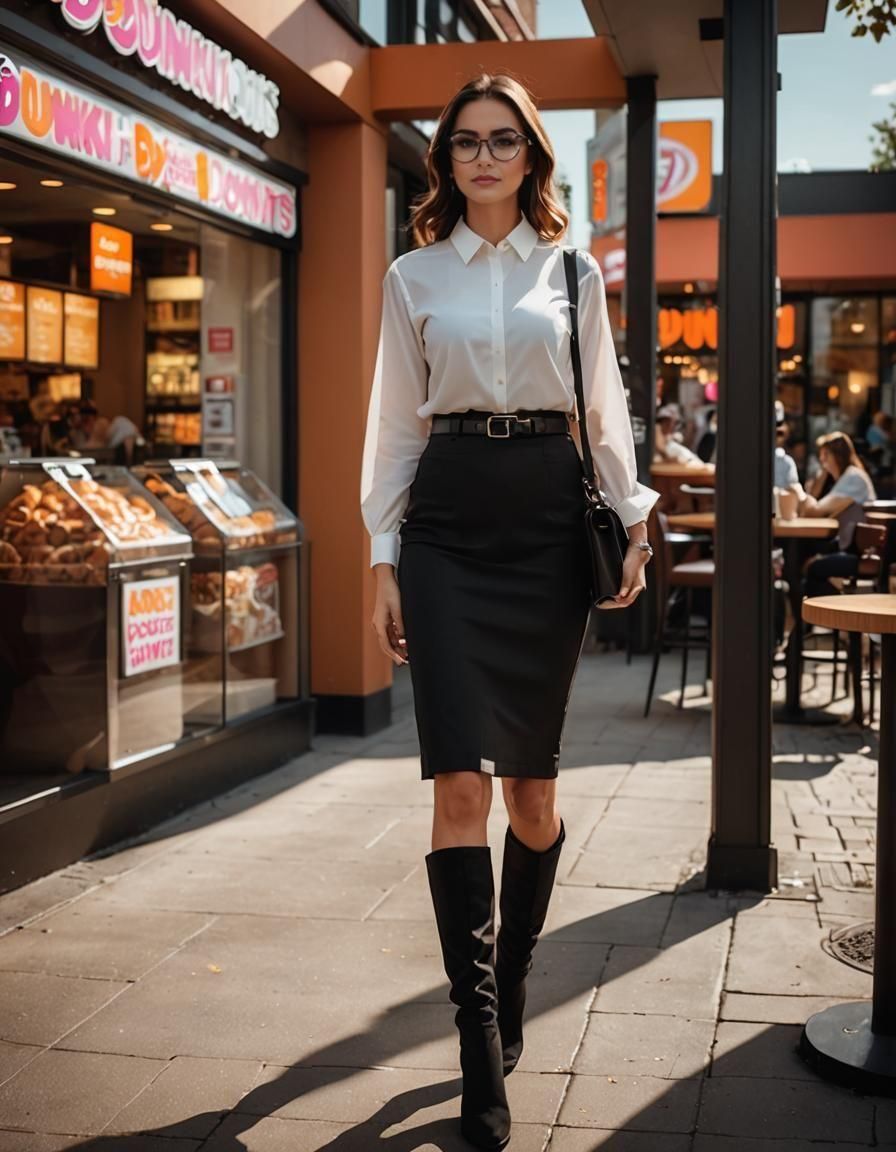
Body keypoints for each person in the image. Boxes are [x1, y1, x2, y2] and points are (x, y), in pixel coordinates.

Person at [359, 73, 659, 1150]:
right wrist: (383, 557)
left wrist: (632, 520)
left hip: (542, 524)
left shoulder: (571, 273)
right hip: (444, 524)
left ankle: (515, 966)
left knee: (532, 795)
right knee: (458, 787)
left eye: (501, 140)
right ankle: (478, 1037)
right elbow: (395, 425)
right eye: (465, 142)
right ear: (444, 159)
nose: (482, 157)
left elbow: (605, 409)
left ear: (530, 154)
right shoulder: (412, 276)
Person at [798, 431, 877, 598]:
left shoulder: (853, 478)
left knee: (812, 568)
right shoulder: (848, 477)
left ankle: (825, 613)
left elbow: (813, 512)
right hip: (853, 547)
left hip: (862, 552)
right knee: (807, 561)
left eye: (825, 455)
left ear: (837, 456)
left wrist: (810, 487)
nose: (822, 460)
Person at [68, 400, 141, 464]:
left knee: (122, 422)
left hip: (106, 449)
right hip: (91, 453)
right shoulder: (76, 432)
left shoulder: (101, 424)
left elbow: (96, 444)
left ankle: (129, 461)